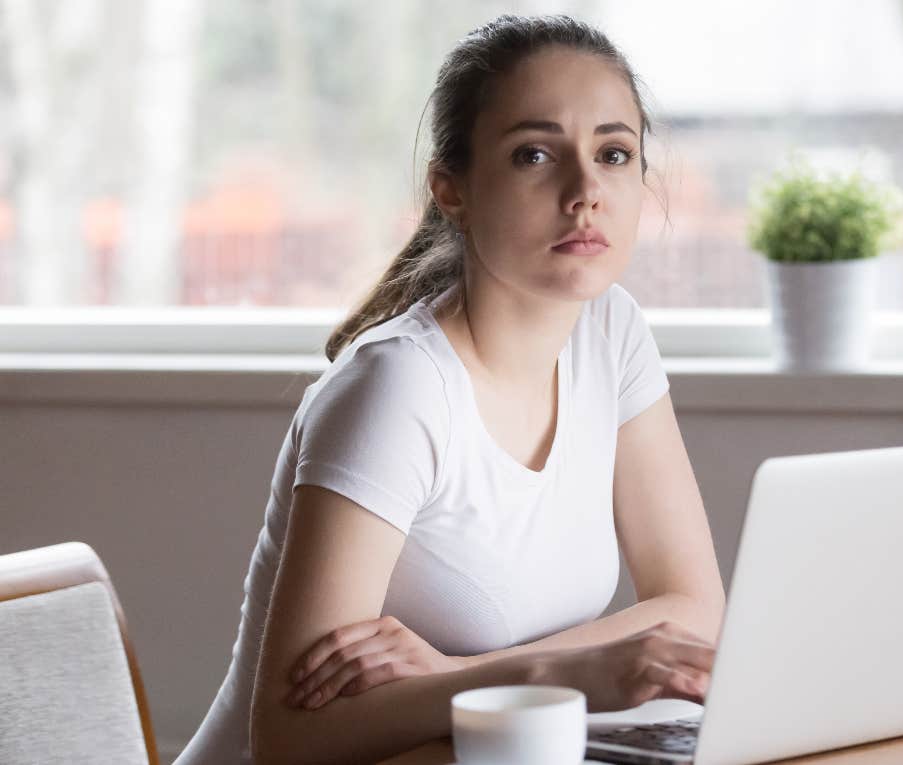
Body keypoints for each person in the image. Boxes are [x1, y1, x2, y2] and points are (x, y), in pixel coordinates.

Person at [176, 14, 726, 764]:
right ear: (452, 188)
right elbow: (287, 738)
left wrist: (460, 677)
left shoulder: (612, 332)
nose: (585, 190)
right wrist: (565, 672)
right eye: (535, 154)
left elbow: (694, 612)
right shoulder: (397, 387)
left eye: (614, 153)